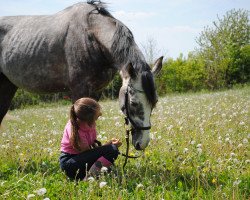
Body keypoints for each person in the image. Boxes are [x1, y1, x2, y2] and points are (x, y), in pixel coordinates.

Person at [59, 97, 122, 181]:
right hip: (70, 165)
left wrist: (109, 144)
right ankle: (89, 179)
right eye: (97, 115)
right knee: (112, 150)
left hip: (78, 161)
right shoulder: (75, 130)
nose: (100, 114)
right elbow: (87, 152)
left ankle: (92, 174)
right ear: (89, 118)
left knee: (111, 152)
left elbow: (90, 153)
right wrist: (109, 146)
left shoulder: (88, 124)